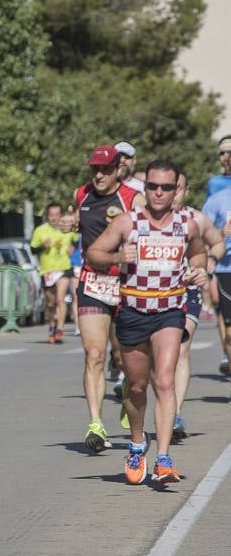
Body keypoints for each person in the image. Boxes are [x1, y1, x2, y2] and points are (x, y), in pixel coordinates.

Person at [86, 160, 208, 484]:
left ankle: (164, 458)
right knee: (137, 386)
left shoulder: (186, 225)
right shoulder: (128, 223)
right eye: (152, 186)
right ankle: (138, 443)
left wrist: (200, 270)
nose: (159, 193)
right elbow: (93, 253)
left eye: (166, 187)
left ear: (176, 189)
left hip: (170, 311)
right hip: (133, 311)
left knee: (164, 381)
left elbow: (198, 254)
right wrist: (117, 257)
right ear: (146, 187)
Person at [73, 145, 142, 452]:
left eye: (105, 170)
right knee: (94, 354)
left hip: (125, 284)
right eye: (95, 170)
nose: (99, 175)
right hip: (92, 282)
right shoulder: (81, 194)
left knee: (124, 358)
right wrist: (70, 222)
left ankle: (128, 394)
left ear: (118, 169)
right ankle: (95, 424)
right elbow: (82, 222)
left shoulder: (133, 198)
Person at [172, 170, 223, 438]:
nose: (171, 193)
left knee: (181, 350)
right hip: (150, 296)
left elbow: (218, 243)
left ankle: (175, 413)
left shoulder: (196, 218)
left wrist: (210, 261)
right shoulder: (141, 219)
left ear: (186, 191)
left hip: (186, 292)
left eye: (177, 188)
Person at [201, 151, 231, 397]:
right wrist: (221, 233)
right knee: (229, 331)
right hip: (226, 268)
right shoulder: (217, 197)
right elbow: (202, 233)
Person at [30, 202, 80, 344]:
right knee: (50, 302)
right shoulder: (40, 230)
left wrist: (72, 247)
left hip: (64, 268)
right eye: (51, 215)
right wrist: (42, 246)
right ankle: (52, 325)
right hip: (47, 270)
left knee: (60, 298)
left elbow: (76, 241)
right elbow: (33, 249)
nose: (54, 218)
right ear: (47, 216)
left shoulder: (67, 229)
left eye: (57, 215)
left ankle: (59, 330)